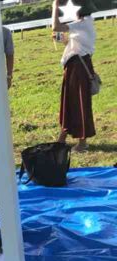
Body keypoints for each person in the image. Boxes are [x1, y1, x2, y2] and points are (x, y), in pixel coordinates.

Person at [52, 0, 96, 152]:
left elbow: (56, 26)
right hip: (74, 66)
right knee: (71, 102)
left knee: (79, 102)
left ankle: (82, 143)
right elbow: (72, 44)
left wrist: (55, 7)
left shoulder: (83, 23)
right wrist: (60, 39)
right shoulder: (82, 23)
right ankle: (62, 138)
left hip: (79, 67)